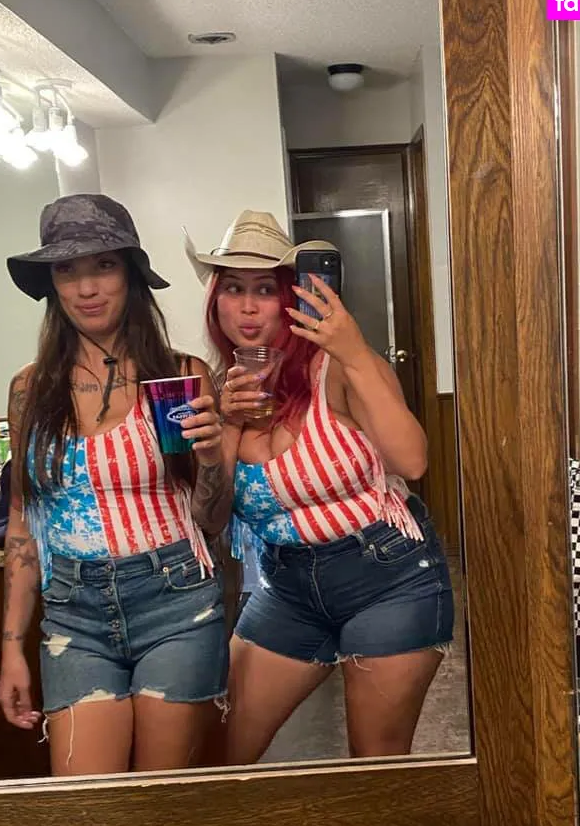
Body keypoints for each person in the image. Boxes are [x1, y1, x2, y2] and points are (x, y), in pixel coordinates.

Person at [186, 210, 454, 761]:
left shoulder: (339, 370)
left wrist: (352, 350)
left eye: (266, 289)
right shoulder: (216, 391)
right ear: (216, 301)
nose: (249, 307)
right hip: (287, 587)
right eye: (233, 288)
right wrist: (228, 425)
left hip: (387, 577)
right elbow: (209, 520)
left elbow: (413, 461)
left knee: (375, 765)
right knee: (219, 748)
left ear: (291, 297)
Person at [0, 194, 232, 777]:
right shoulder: (30, 390)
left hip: (176, 600)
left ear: (130, 274)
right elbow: (25, 521)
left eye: (103, 265)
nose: (86, 288)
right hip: (72, 616)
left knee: (159, 799)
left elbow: (211, 519)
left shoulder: (178, 377)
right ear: (52, 284)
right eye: (67, 270)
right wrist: (11, 648)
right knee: (89, 807)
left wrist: (211, 458)